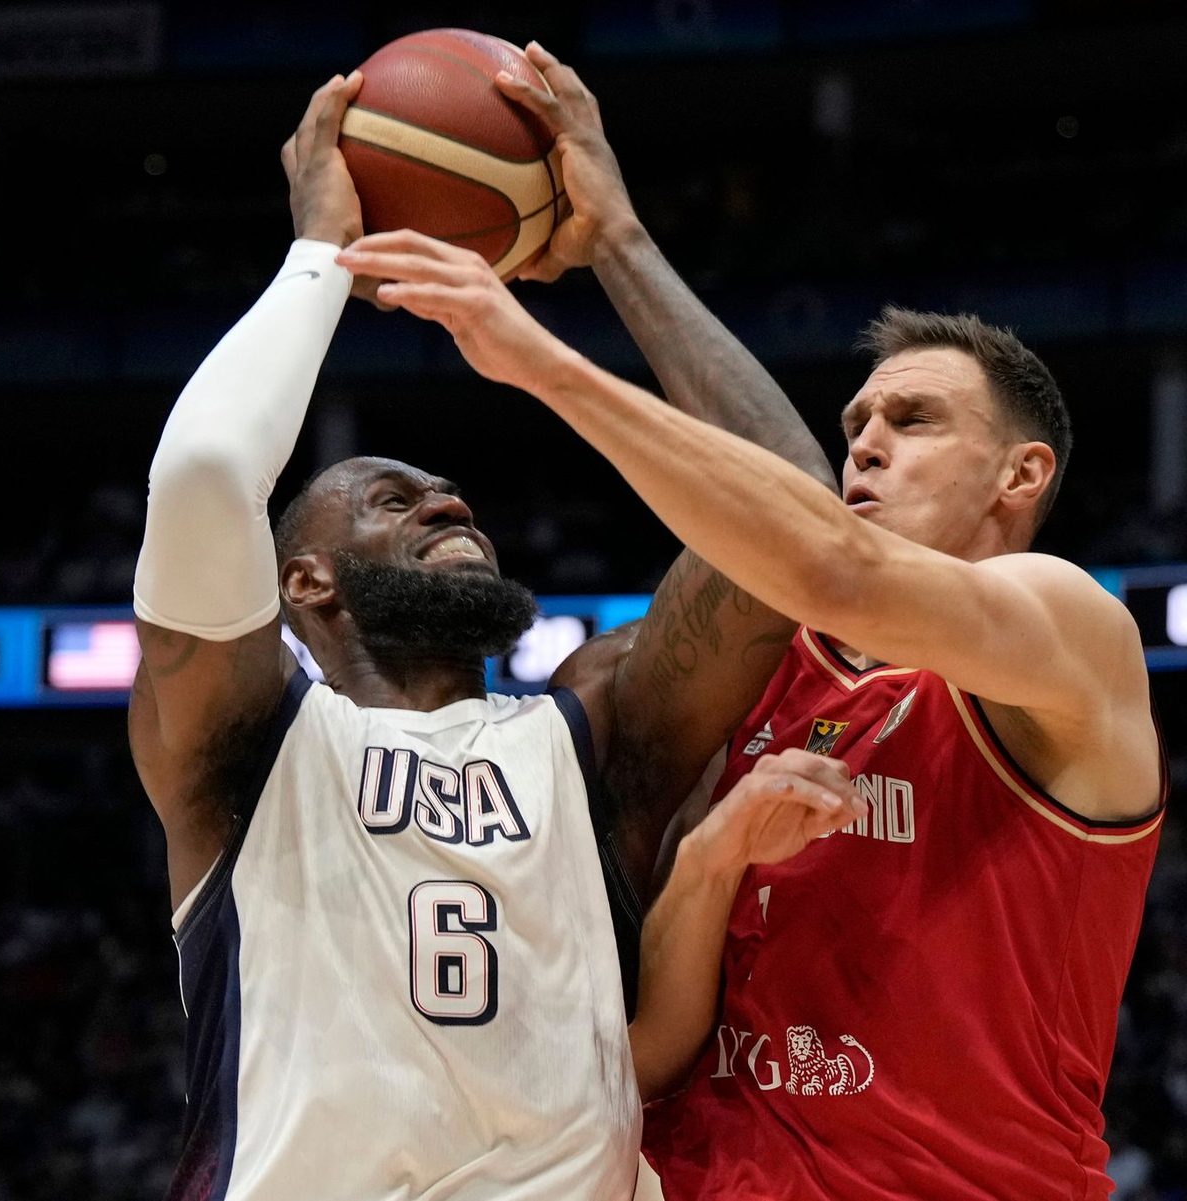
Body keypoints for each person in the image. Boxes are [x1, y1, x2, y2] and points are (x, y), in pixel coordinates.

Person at [353, 48, 1167, 1199]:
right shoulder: (767, 667)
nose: (867, 442)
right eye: (859, 419)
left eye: (916, 419)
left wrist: (543, 356)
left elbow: (833, 566)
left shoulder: (1069, 631)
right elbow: (650, 1032)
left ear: (1020, 473)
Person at [127, 54, 862, 1200]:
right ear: (305, 582)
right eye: (392, 497)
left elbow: (790, 520)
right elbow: (211, 469)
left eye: (450, 493)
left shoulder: (594, 731)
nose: (448, 500)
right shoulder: (245, 744)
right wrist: (323, 251)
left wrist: (619, 242)